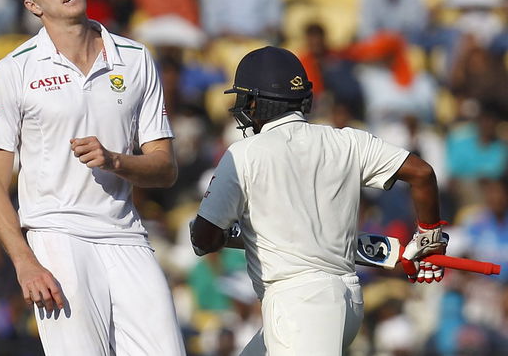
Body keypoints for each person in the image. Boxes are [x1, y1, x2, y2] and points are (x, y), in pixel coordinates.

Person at [0, 0, 186, 355]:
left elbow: (165, 168)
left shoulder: (136, 58)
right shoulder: (13, 70)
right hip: (57, 236)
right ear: (33, 5)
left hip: (126, 235)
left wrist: (116, 160)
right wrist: (25, 262)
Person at [190, 46, 448, 355]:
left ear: (256, 103)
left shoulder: (244, 153)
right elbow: (422, 173)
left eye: (244, 98)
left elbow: (202, 239)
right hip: (346, 298)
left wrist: (229, 234)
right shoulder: (348, 141)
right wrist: (429, 236)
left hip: (300, 304)